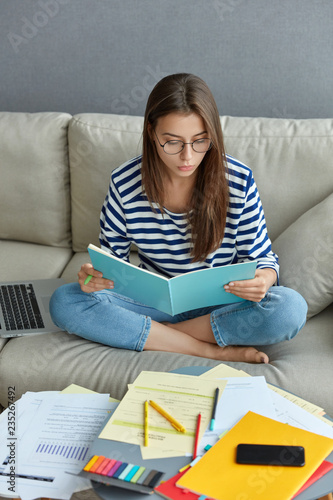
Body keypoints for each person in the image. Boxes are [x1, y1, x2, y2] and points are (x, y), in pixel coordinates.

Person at [50, 73, 307, 364]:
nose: (188, 156)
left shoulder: (237, 180)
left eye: (200, 141)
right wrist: (94, 278)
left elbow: (263, 259)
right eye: (172, 142)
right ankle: (204, 349)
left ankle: (160, 336)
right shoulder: (124, 183)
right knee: (66, 301)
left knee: (289, 308)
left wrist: (264, 278)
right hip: (151, 304)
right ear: (151, 133)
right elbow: (113, 262)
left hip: (219, 307)